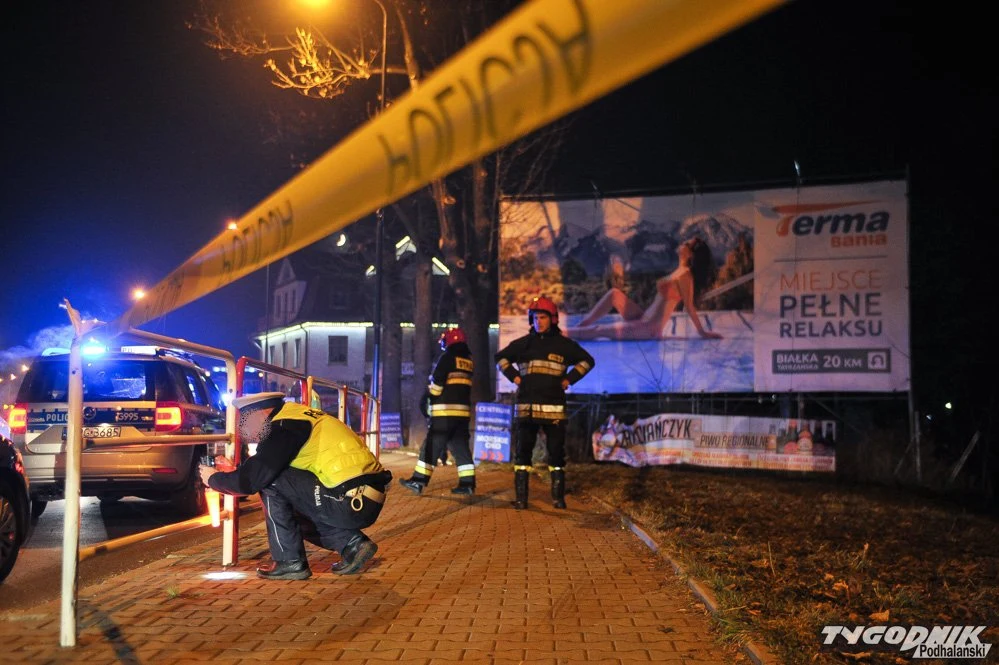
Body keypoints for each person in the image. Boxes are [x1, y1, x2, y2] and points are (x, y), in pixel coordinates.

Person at [200, 392, 391, 580]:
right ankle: (352, 545)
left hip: (349, 499)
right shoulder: (296, 417)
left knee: (270, 482)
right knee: (286, 502)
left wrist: (213, 479)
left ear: (262, 414)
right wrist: (234, 472)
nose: (244, 428)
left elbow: (254, 479)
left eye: (246, 421)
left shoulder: (283, 427)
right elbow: (267, 467)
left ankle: (288, 561)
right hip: (361, 496)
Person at [495, 295, 595, 509]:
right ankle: (522, 499)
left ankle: (558, 499)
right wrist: (514, 376)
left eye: (542, 317)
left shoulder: (564, 346)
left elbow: (588, 361)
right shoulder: (523, 344)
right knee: (522, 454)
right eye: (535, 317)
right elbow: (500, 359)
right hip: (527, 410)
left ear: (553, 319)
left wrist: (570, 379)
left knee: (556, 454)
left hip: (554, 411)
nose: (538, 321)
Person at [567, 236, 723, 340]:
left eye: (687, 244)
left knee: (599, 330)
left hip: (649, 328)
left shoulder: (685, 275)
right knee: (614, 294)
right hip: (643, 318)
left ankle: (562, 334)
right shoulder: (680, 270)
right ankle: (582, 326)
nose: (682, 244)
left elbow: (689, 306)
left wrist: (702, 332)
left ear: (691, 254)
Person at [399, 327, 476, 495]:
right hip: (462, 415)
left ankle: (418, 481)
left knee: (430, 447)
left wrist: (429, 397)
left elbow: (437, 384)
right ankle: (467, 483)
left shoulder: (447, 358)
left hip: (444, 414)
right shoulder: (468, 361)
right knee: (460, 447)